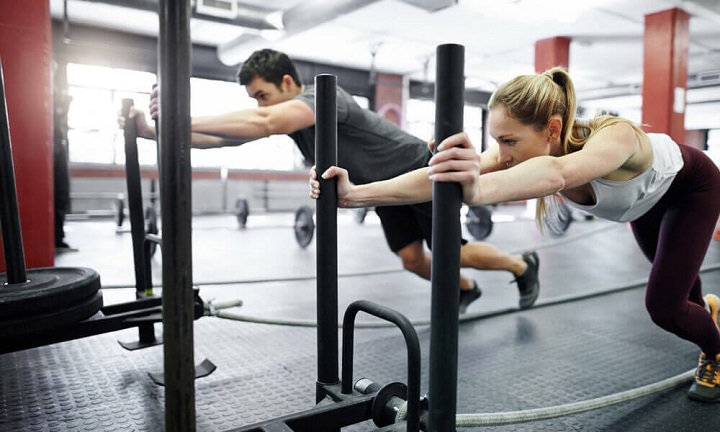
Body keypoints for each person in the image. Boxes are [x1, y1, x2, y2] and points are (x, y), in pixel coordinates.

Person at [309, 66, 720, 402]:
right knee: (682, 295)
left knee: (664, 306)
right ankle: (706, 311)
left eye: (509, 141)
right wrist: (355, 194)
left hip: (691, 191)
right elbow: (437, 178)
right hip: (643, 205)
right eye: (496, 141)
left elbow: (557, 173)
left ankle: (716, 351)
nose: (502, 155)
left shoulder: (615, 137)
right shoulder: (520, 148)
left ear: (553, 129)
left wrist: (475, 189)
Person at [125, 48, 540, 312]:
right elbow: (221, 140)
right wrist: (153, 131)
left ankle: (521, 265)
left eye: (262, 95)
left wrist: (178, 115)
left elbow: (263, 122)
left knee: (450, 252)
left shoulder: (323, 99)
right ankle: (465, 290)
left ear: (287, 83)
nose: (258, 106)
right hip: (380, 192)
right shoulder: (291, 122)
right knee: (414, 261)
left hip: (418, 168)